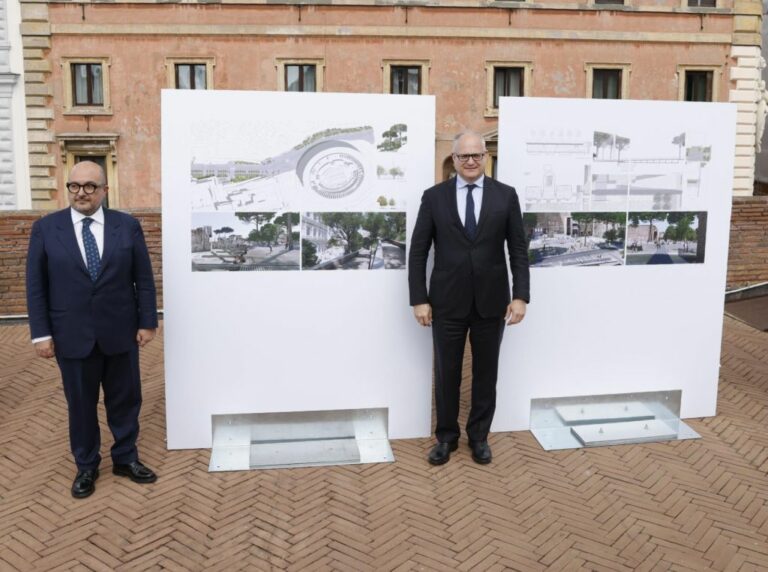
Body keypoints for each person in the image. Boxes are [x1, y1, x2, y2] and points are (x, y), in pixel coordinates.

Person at [26, 161, 159, 498]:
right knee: (81, 404)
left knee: (125, 400)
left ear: (104, 190)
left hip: (121, 332)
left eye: (89, 186)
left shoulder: (126, 226)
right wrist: (41, 334)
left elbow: (142, 278)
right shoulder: (47, 229)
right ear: (68, 188)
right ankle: (86, 466)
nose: (80, 192)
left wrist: (147, 322)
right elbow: (36, 286)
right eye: (74, 186)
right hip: (71, 334)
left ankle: (126, 458)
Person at [409, 131, 530, 466]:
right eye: (464, 156)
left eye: (477, 154)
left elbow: (517, 250)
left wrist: (520, 296)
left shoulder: (506, 196)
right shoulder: (434, 198)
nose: (472, 161)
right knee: (446, 374)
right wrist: (419, 299)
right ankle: (446, 438)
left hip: (492, 303)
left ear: (485, 156)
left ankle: (479, 437)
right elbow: (418, 252)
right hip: (445, 303)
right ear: (455, 159)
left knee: (485, 374)